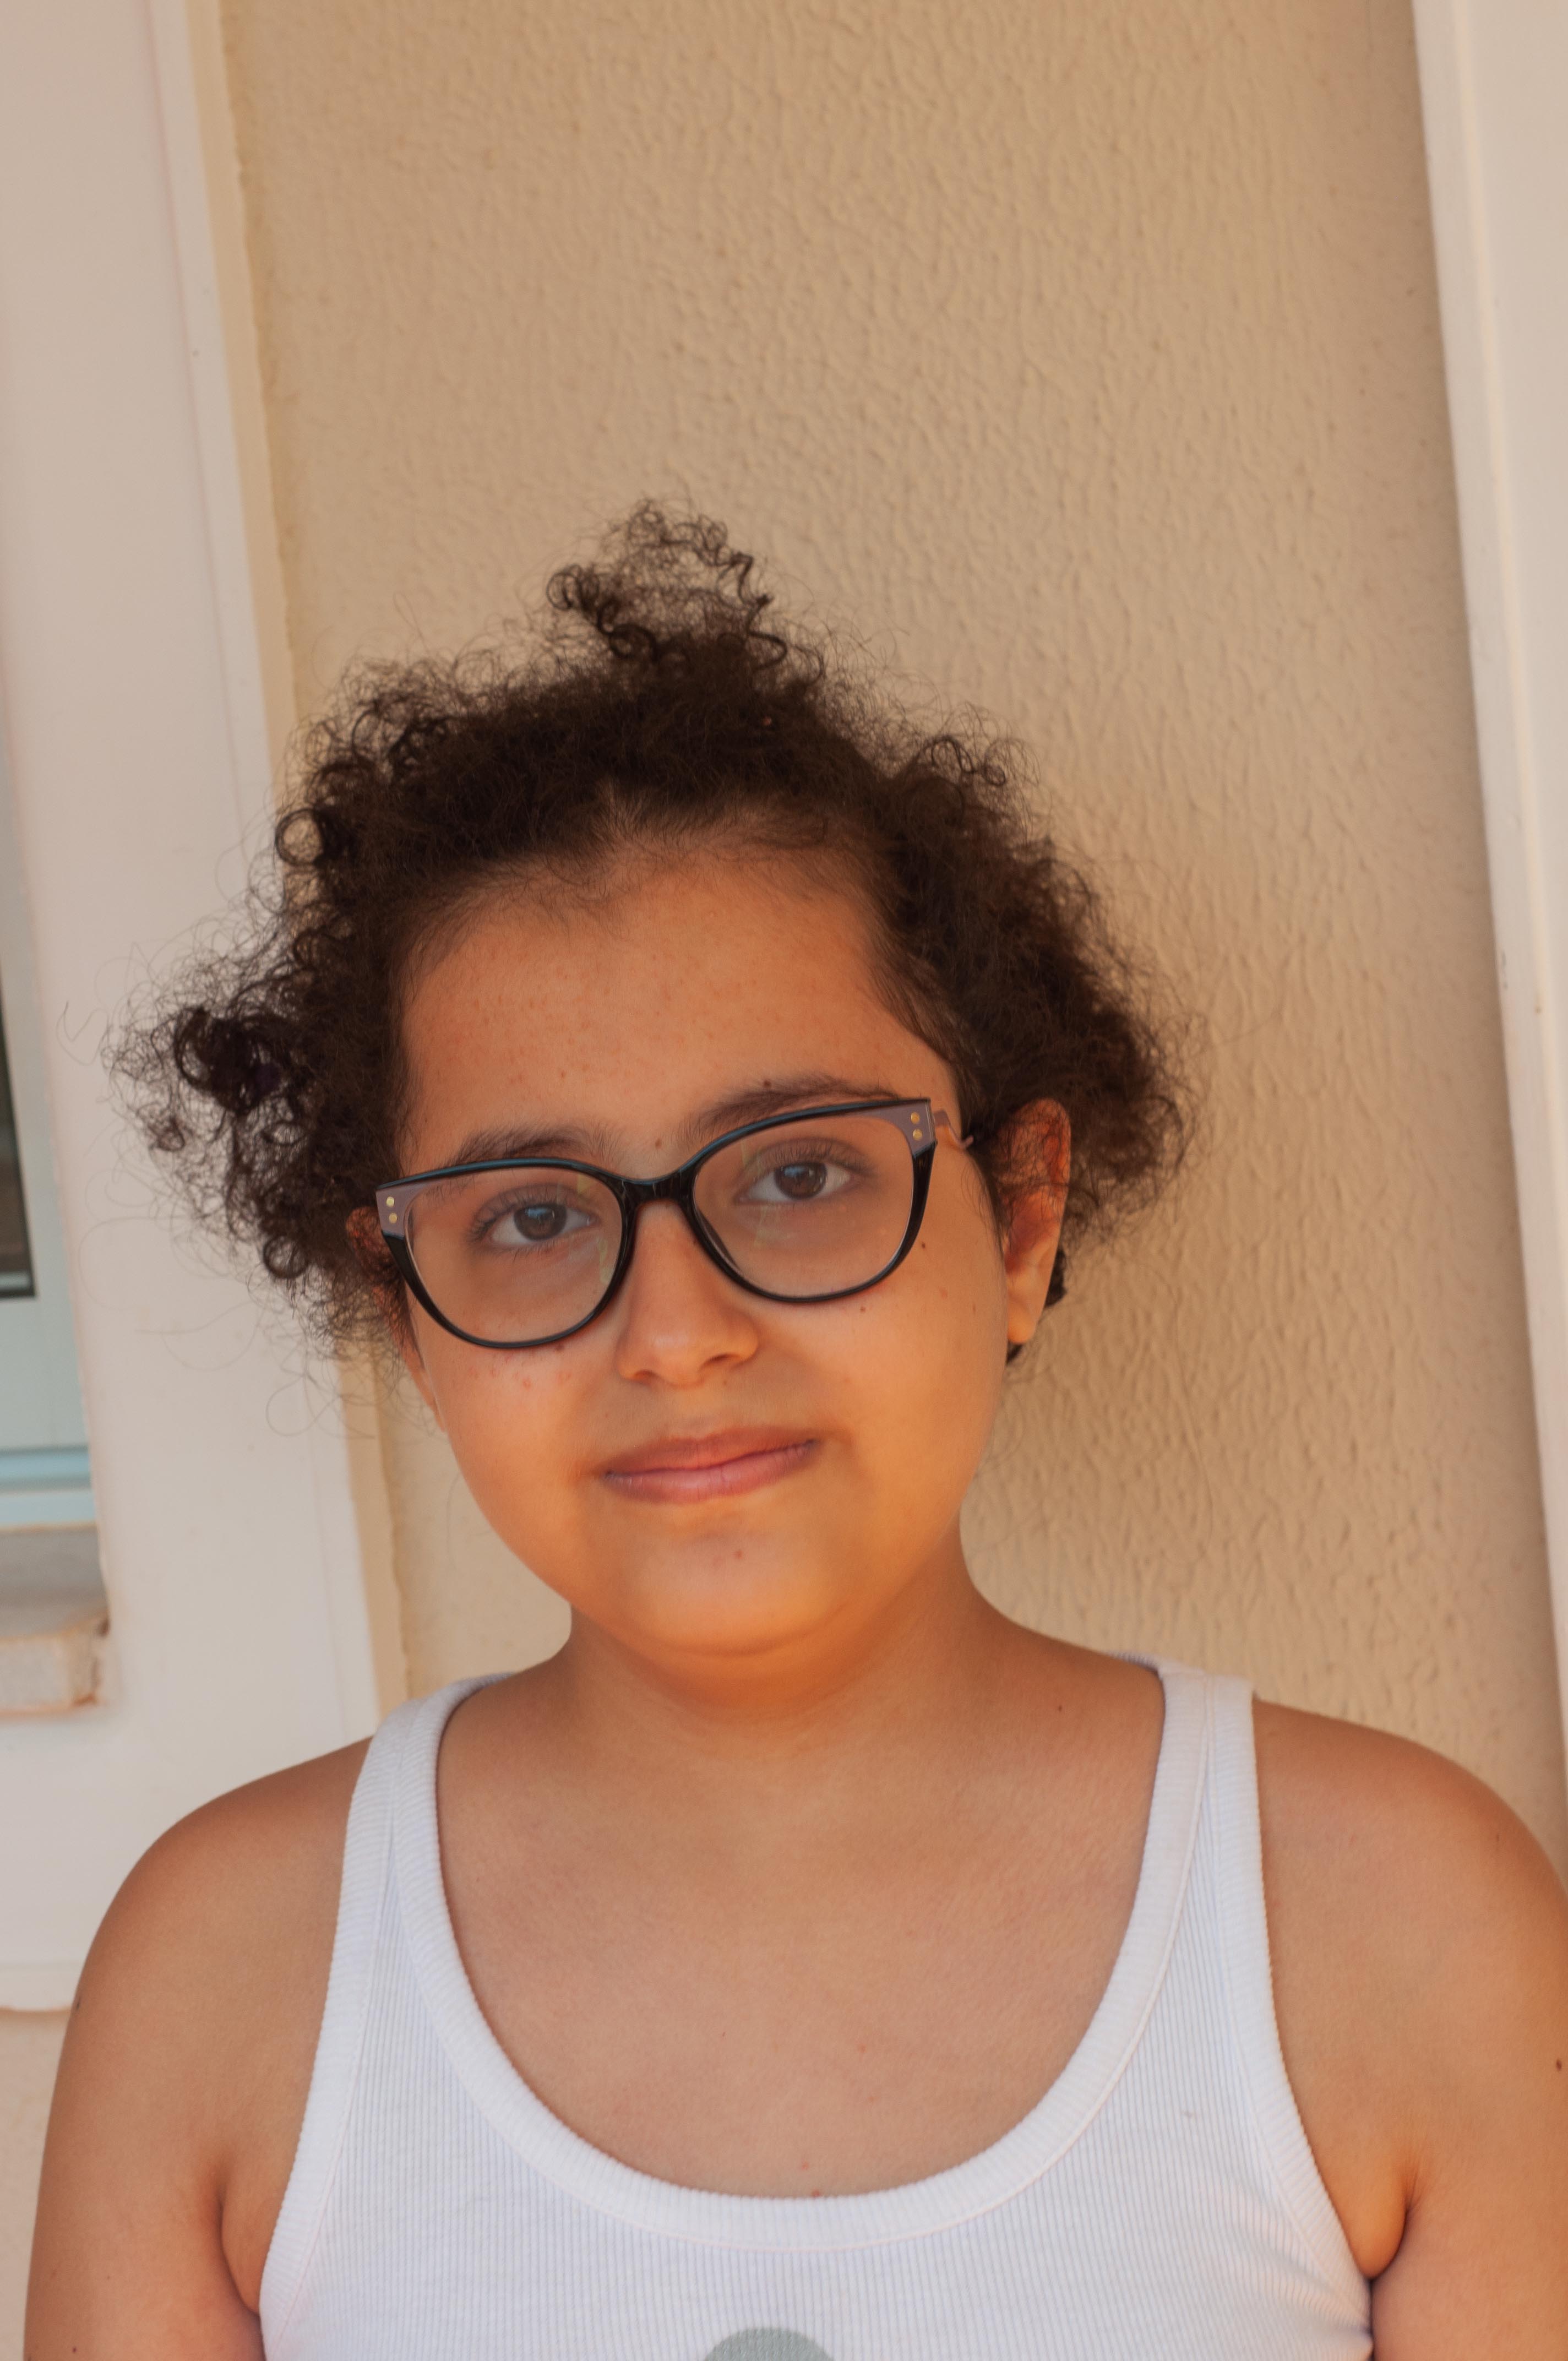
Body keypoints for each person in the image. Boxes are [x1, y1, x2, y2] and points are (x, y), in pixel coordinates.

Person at [26, 511, 1568, 2359]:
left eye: (801, 1175)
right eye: (534, 1214)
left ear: (1020, 1220)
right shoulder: (222, 1974)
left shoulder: (1396, 1921)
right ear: (405, 1305)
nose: (678, 1335)